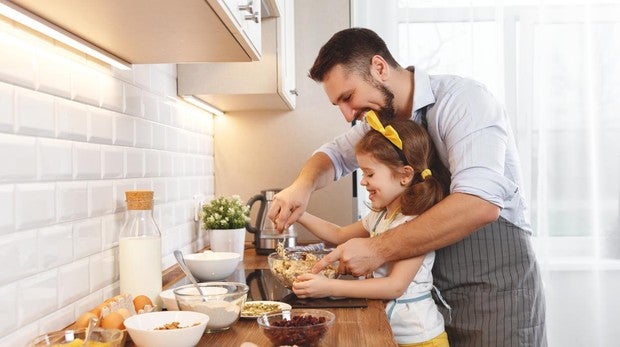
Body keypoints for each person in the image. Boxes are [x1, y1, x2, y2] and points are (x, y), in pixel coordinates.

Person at [267, 28, 547, 346]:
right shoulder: (384, 125)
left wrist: (377, 249)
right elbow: (331, 155)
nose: (348, 114)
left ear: (379, 67)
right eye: (338, 105)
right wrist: (301, 188)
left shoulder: (463, 100)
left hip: (496, 286)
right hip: (437, 297)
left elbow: (479, 203)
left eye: (348, 97)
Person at [293, 114, 451, 346]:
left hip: (421, 339)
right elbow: (338, 235)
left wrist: (328, 286)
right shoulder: (380, 217)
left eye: (370, 173)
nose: (363, 181)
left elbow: (395, 286)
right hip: (389, 332)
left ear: (405, 175)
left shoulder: (415, 224)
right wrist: (299, 214)